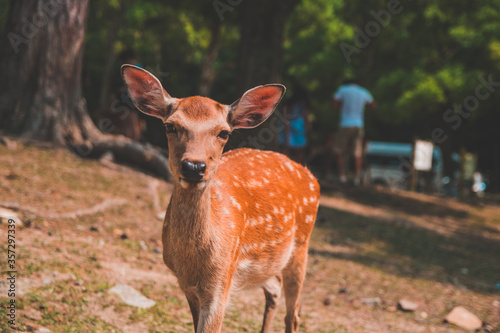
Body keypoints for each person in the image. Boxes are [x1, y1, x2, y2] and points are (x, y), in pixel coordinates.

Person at [332, 79, 377, 185]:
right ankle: (356, 178)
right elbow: (373, 106)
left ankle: (342, 176)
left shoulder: (343, 90)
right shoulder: (364, 91)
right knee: (357, 152)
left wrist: (341, 105)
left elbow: (334, 104)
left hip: (345, 124)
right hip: (358, 124)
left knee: (340, 150)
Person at [279, 84, 310, 164]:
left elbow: (306, 117)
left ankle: (298, 167)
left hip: (299, 129)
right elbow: (286, 119)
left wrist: (307, 127)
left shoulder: (304, 105)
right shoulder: (291, 104)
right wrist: (287, 134)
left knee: (300, 150)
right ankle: (282, 165)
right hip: (290, 128)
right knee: (287, 148)